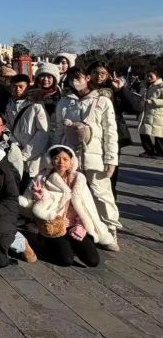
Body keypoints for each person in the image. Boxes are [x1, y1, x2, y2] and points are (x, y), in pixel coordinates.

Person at [53, 67, 120, 250]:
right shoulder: (64, 102)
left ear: (88, 78)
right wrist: (54, 154)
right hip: (70, 157)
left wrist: (111, 159)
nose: (75, 81)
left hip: (95, 156)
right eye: (71, 79)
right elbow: (58, 130)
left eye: (79, 77)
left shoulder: (102, 101)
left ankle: (110, 229)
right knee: (71, 194)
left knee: (101, 194)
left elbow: (110, 133)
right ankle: (77, 227)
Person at [20, 145, 111, 267]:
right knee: (66, 260)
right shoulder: (42, 177)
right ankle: (47, 242)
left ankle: (70, 243)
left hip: (74, 224)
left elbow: (87, 206)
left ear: (71, 161)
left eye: (65, 159)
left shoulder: (79, 179)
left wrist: (80, 225)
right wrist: (38, 198)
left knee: (93, 261)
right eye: (56, 158)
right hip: (53, 224)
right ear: (50, 160)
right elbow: (27, 204)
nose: (61, 162)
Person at [5, 74, 49, 188]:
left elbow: (43, 132)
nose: (17, 89)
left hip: (35, 156)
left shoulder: (36, 105)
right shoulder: (9, 106)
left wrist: (25, 153)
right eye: (14, 86)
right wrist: (15, 145)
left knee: (33, 188)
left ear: (28, 87)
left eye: (21, 86)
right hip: (16, 153)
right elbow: (7, 128)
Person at [116, 68, 163, 157]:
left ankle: (160, 152)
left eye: (151, 76)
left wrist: (152, 101)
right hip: (144, 112)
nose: (148, 78)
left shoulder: (161, 86)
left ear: (157, 76)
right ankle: (149, 151)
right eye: (147, 76)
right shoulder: (143, 85)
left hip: (156, 114)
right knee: (143, 132)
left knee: (158, 133)